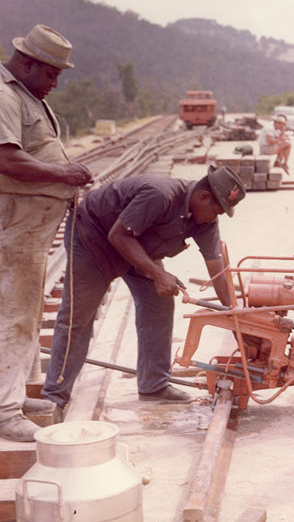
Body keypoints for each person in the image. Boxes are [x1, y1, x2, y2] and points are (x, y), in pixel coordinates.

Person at [0, 24, 93, 442]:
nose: (55, 82)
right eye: (51, 73)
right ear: (28, 62)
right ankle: (0, 411)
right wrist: (63, 173)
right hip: (7, 222)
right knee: (13, 314)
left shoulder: (22, 93)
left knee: (25, 311)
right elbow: (6, 160)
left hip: (22, 224)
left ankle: (13, 394)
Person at [41, 166, 245, 417]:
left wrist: (235, 315)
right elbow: (119, 235)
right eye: (216, 211)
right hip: (94, 239)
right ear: (203, 197)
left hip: (137, 248)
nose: (215, 218)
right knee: (77, 317)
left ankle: (154, 385)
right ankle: (55, 396)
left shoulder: (205, 221)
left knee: (158, 305)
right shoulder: (160, 195)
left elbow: (217, 270)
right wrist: (158, 274)